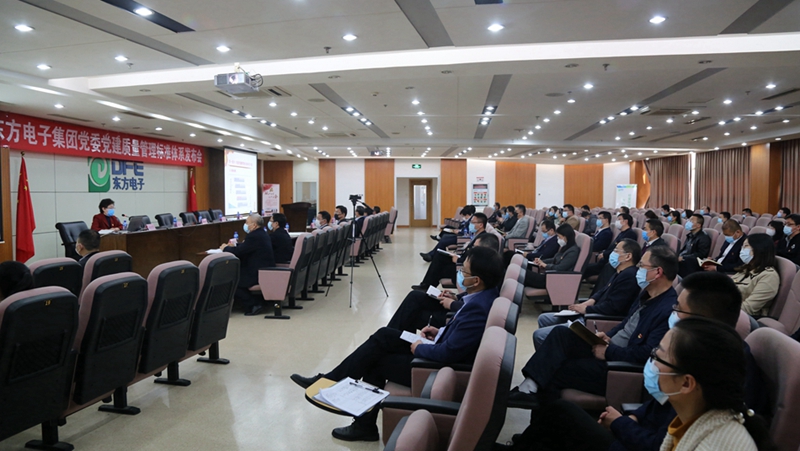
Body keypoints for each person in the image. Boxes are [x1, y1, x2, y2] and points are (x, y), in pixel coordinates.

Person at [500, 270, 763, 451]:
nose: (673, 312)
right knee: (559, 406)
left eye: (679, 309)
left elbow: (660, 443)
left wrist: (621, 423)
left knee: (561, 413)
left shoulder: (719, 368)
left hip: (634, 439)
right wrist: (634, 417)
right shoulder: (694, 350)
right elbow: (660, 406)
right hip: (636, 431)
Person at [289, 247, 503, 442]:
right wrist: (439, 331)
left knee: (376, 358)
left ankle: (348, 404)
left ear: (476, 280)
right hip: (438, 350)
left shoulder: (477, 308)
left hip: (436, 369)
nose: (460, 274)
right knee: (384, 337)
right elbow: (459, 335)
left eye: (464, 272)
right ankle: (337, 387)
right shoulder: (483, 297)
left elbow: (449, 353)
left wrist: (420, 347)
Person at [509, 246, 678, 410]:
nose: (638, 270)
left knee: (556, 368)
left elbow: (647, 354)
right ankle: (528, 388)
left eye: (642, 266)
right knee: (561, 333)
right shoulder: (647, 294)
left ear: (657, 272)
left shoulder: (667, 310)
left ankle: (535, 409)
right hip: (612, 348)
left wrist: (609, 352)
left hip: (617, 365)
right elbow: (626, 323)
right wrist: (608, 336)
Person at [533, 239, 641, 349]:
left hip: (596, 318)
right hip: (592, 312)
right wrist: (588, 302)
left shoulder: (629, 276)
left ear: (628, 256)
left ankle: (553, 356)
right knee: (544, 318)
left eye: (616, 251)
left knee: (539, 335)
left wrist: (586, 310)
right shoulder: (620, 272)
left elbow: (613, 307)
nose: (612, 253)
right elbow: (602, 291)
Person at [387, 234, 500, 332]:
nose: (472, 250)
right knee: (415, 296)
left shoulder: (489, 275)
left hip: (455, 314)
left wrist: (452, 304)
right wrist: (455, 297)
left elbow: (475, 306)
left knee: (411, 314)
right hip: (458, 304)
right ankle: (392, 338)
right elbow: (474, 294)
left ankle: (392, 340)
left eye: (464, 271)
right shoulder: (486, 269)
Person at [413, 213, 489, 291]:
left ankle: (426, 287)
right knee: (439, 256)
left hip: (464, 268)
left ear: (481, 225)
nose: (470, 224)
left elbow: (474, 259)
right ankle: (426, 286)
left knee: (439, 268)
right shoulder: (476, 235)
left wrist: (458, 260)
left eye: (473, 222)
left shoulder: (482, 240)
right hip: (461, 260)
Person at [219, 214, 276, 316]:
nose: (245, 225)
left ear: (254, 225)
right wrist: (235, 245)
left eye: (247, 223)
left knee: (231, 280)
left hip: (256, 272)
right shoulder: (262, 233)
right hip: (263, 269)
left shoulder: (253, 236)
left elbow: (239, 252)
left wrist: (225, 248)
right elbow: (247, 247)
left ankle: (253, 304)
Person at [734, 234, 779, 318]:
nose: (742, 250)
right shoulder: (747, 268)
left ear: (759, 249)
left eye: (746, 246)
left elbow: (748, 308)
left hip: (742, 317)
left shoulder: (769, 276)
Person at [583, 213, 637, 285]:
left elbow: (621, 250)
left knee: (585, 268)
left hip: (612, 262)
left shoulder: (630, 234)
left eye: (619, 219)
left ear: (625, 221)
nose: (617, 222)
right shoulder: (622, 233)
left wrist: (605, 254)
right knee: (585, 267)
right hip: (606, 260)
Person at [523, 224, 580, 289]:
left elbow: (560, 268)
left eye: (559, 237)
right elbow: (554, 259)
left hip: (555, 280)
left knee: (522, 273)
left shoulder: (573, 251)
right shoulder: (565, 247)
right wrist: (541, 261)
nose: (558, 239)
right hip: (550, 276)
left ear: (566, 237)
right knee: (522, 271)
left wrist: (546, 265)